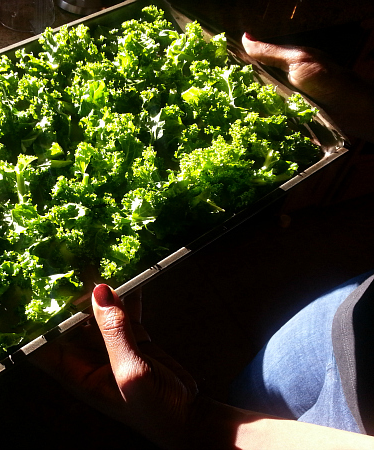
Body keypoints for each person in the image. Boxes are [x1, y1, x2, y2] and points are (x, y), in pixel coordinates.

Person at [31, 34, 374, 449]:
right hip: (358, 314)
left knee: (259, 404)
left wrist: (195, 424)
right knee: (260, 386)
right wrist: (359, 105)